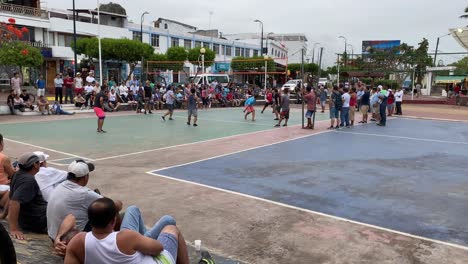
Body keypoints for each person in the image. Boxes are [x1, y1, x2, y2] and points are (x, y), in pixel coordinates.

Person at [64, 198, 190, 264]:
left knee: (133, 210)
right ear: (114, 221)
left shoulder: (78, 241)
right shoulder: (126, 237)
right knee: (171, 227)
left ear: (90, 221)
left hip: (132, 245)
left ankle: (143, 239)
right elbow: (158, 248)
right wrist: (140, 244)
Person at [47, 160, 122, 241]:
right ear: (86, 177)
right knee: (110, 211)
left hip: (53, 236)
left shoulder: (59, 186)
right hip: (70, 239)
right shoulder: (84, 193)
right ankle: (116, 241)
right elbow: (115, 205)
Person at [8, 153, 47, 240]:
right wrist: (13, 229)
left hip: (30, 218)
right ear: (34, 165)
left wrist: (4, 215)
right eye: (38, 163)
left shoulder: (17, 174)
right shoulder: (28, 180)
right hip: (37, 221)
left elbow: (11, 196)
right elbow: (14, 202)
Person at [0, 133, 16, 219]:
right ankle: (6, 214)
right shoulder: (3, 158)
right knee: (16, 191)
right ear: (1, 144)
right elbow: (13, 175)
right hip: (2, 187)